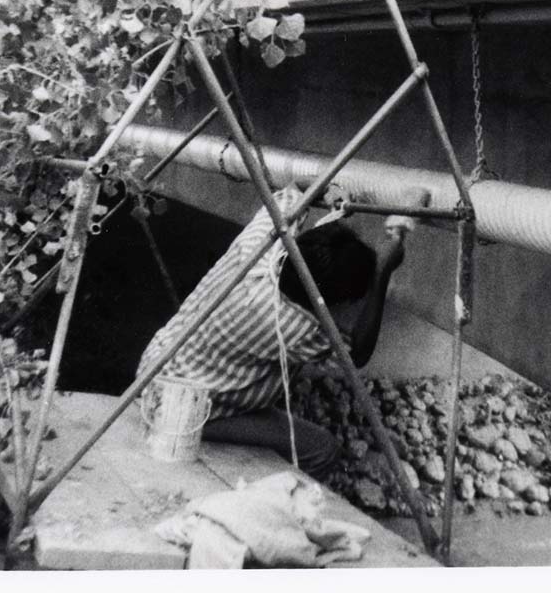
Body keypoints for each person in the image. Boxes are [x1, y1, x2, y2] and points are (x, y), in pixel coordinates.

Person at [136, 187, 405, 479]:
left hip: (154, 371)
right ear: (325, 300)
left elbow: (293, 190)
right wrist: (381, 275)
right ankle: (266, 504)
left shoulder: (261, 247)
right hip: (185, 409)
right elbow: (358, 355)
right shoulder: (298, 328)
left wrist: (329, 192)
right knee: (322, 449)